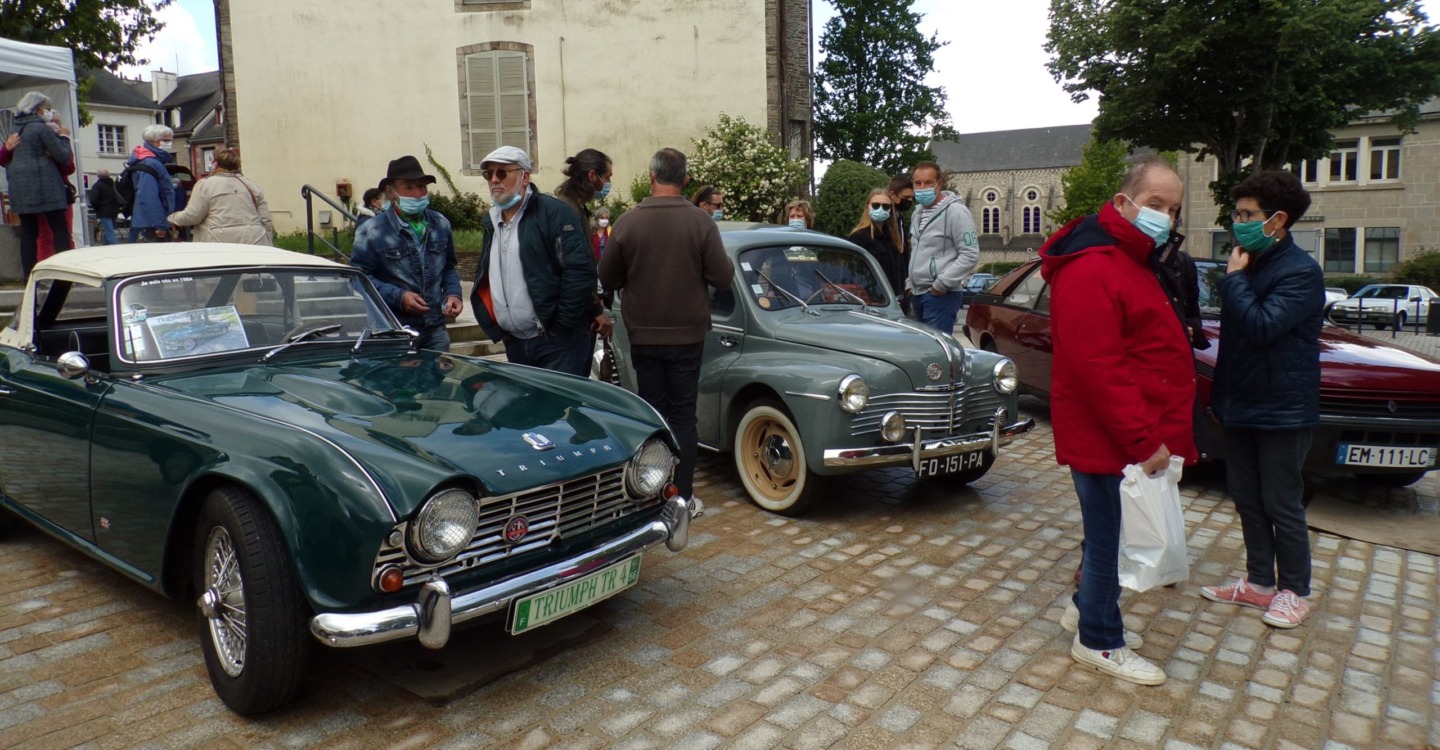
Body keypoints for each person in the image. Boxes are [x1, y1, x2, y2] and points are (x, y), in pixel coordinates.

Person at [1040, 156, 1197, 686]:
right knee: (1110, 536)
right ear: (1125, 202)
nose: (1165, 218)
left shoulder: (1130, 257)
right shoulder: (1092, 265)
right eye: (1156, 205)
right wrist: (1142, 438)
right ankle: (1099, 639)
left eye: (1173, 209)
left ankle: (1085, 609)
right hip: (1108, 431)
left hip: (1122, 428)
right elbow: (1097, 366)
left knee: (1108, 531)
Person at [1200, 171, 1323, 630]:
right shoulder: (1251, 263)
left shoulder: (1300, 272)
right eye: (1238, 213)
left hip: (1283, 409)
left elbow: (1262, 326)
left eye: (1247, 214)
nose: (1238, 222)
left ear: (1278, 221)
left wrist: (1233, 280)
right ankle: (1259, 583)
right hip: (1243, 404)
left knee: (1281, 502)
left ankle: (1295, 590)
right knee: (1247, 498)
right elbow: (1235, 343)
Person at [600, 148, 734, 519]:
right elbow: (722, 277)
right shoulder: (701, 222)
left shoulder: (627, 222)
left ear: (651, 176)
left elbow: (608, 277)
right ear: (685, 180)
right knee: (682, 416)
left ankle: (651, 493)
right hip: (687, 335)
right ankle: (682, 497)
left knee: (653, 413)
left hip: (643, 333)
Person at [470, 146, 597, 376]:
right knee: (528, 411)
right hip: (516, 342)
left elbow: (579, 271)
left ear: (525, 177)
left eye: (502, 173)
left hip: (557, 343)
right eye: (489, 174)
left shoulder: (554, 213)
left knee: (558, 409)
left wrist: (560, 327)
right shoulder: (492, 220)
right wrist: (502, 328)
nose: (494, 180)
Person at [351, 155, 463, 351]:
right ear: (391, 192)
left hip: (435, 330)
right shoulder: (370, 231)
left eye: (422, 186)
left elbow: (449, 268)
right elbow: (358, 279)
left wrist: (453, 294)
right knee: (401, 382)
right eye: (409, 187)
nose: (418, 194)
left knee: (437, 381)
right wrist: (399, 296)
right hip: (393, 331)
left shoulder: (440, 224)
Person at [2, 92, 72, 278]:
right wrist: (64, 137)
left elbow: (6, 158)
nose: (48, 112)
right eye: (47, 108)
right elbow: (63, 156)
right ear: (38, 108)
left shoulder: (14, 129)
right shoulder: (41, 128)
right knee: (59, 228)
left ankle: (30, 276)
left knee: (29, 232)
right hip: (45, 184)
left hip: (20, 186)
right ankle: (65, 273)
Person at [907, 162, 978, 334]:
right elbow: (916, 251)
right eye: (918, 183)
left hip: (940, 296)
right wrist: (909, 283)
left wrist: (941, 285)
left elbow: (970, 254)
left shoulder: (956, 212)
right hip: (917, 293)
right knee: (925, 352)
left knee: (938, 353)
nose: (922, 187)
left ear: (939, 183)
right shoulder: (917, 213)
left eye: (928, 183)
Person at [167, 149, 275, 245]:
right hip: (255, 240)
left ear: (214, 164)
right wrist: (268, 240)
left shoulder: (205, 185)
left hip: (218, 242)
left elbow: (193, 215)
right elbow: (266, 219)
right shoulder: (251, 185)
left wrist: (172, 219)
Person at [847, 188, 905, 300]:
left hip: (895, 299)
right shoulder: (859, 236)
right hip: (872, 300)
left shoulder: (892, 237)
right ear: (868, 207)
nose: (880, 209)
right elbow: (853, 273)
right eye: (876, 205)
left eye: (885, 206)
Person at [125, 124, 176, 242]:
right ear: (154, 141)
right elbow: (149, 196)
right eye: (166, 140)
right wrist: (160, 225)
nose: (169, 143)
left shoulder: (147, 161)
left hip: (148, 221)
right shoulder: (150, 163)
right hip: (152, 224)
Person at [88, 169, 122, 245]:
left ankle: (118, 249)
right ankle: (104, 247)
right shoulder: (113, 185)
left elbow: (93, 199)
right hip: (114, 211)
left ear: (98, 176)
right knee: (110, 230)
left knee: (109, 232)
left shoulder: (97, 186)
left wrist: (96, 208)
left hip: (103, 211)